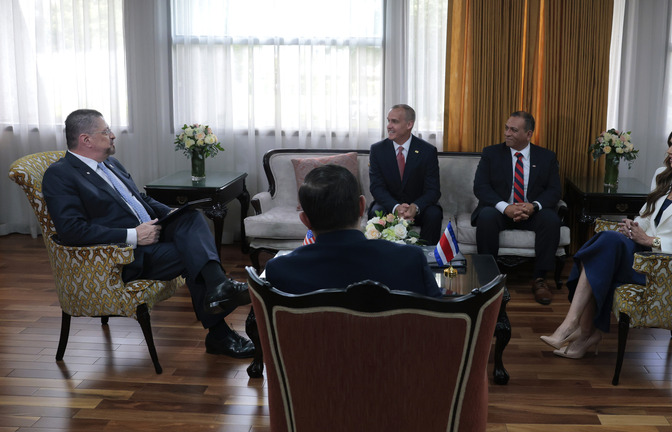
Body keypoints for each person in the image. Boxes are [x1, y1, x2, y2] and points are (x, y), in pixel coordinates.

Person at [42, 109, 254, 359]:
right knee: (192, 253)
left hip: (151, 233)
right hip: (121, 256)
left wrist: (171, 213)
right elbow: (71, 231)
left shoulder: (110, 163)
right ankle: (219, 327)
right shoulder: (60, 174)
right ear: (86, 140)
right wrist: (132, 235)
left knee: (192, 216)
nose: (112, 136)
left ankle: (219, 288)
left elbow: (138, 199)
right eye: (106, 131)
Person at [541, 120, 672, 359]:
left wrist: (652, 241)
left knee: (603, 249)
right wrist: (634, 226)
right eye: (669, 144)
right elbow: (647, 217)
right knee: (605, 244)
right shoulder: (663, 176)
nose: (669, 151)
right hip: (642, 252)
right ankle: (581, 331)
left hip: (667, 265)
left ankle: (575, 328)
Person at [265, 164, 443, 297]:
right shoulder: (410, 259)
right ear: (361, 206)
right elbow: (439, 317)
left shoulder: (280, 270)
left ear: (305, 221)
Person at [472, 111, 562, 305]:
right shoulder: (491, 153)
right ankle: (491, 278)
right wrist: (505, 208)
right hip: (502, 210)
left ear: (528, 134)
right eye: (506, 128)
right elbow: (480, 187)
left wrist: (534, 206)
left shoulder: (546, 157)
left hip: (532, 211)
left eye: (514, 130)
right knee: (486, 216)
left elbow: (555, 191)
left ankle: (539, 279)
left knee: (551, 220)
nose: (507, 133)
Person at [369, 104, 443, 244]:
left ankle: (426, 260)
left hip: (418, 207)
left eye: (394, 121)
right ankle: (380, 260)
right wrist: (396, 207)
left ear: (409, 124)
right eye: (388, 120)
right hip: (389, 206)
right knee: (375, 212)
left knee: (434, 214)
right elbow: (376, 187)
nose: (389, 126)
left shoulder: (427, 151)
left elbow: (433, 190)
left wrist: (415, 206)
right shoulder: (377, 150)